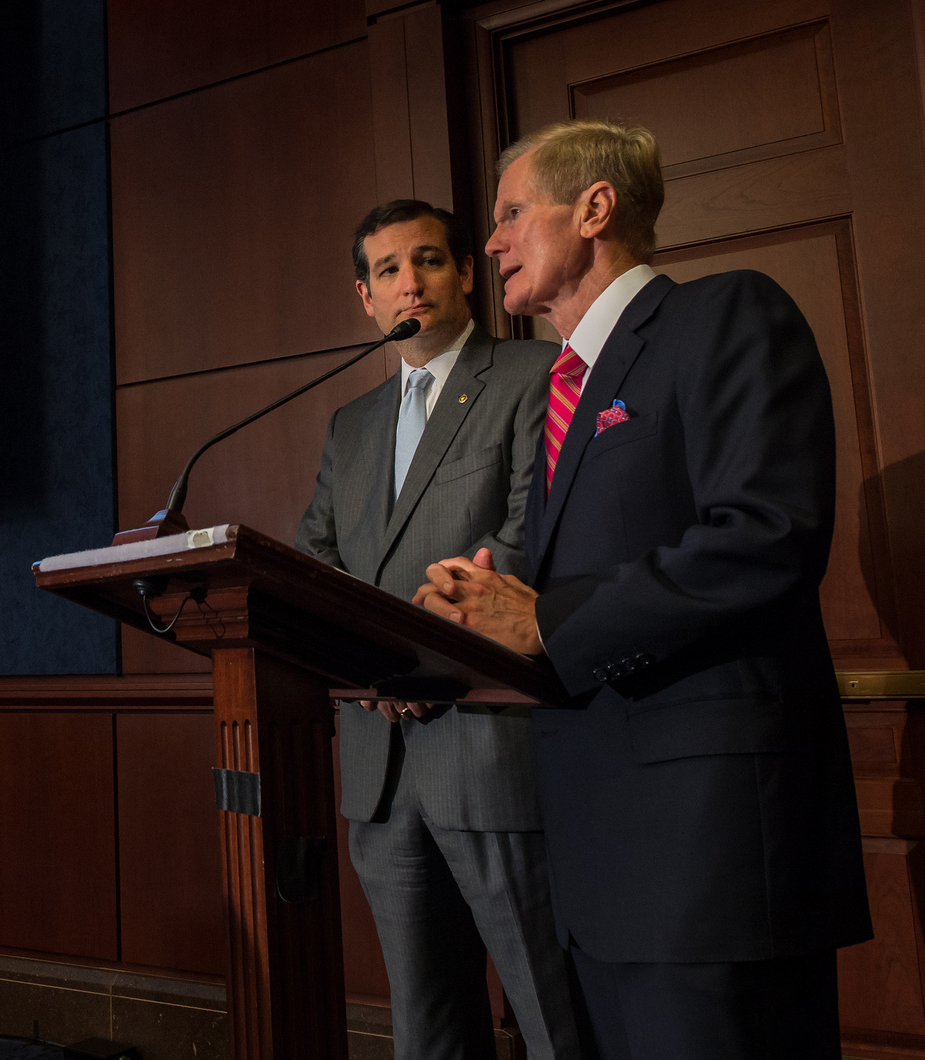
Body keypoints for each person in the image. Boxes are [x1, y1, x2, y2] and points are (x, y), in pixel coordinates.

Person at [414, 119, 871, 1059]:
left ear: (593, 208)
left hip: (709, 860)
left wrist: (547, 619)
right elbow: (577, 583)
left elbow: (765, 536)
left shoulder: (725, 316)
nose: (490, 242)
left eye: (509, 214)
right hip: (594, 855)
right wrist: (485, 608)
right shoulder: (560, 389)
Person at [297, 200, 580, 1059]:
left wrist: (416, 662)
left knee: (554, 1014)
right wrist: (373, 669)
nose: (408, 282)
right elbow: (316, 564)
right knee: (428, 1029)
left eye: (426, 261)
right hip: (380, 773)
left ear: (465, 272)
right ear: (366, 299)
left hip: (489, 747)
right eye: (387, 271)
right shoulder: (349, 427)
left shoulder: (536, 372)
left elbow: (535, 532)